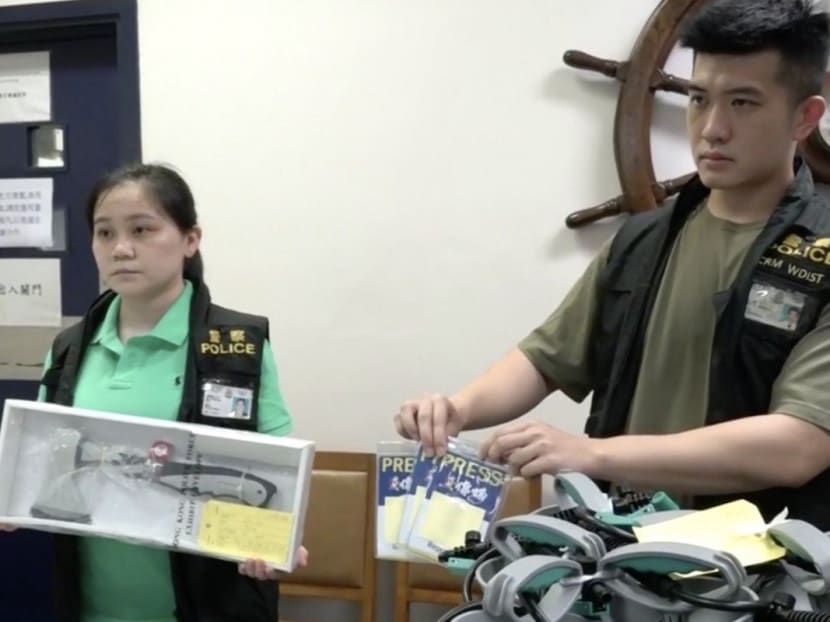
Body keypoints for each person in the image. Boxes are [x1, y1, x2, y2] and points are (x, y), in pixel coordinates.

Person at [395, 0, 830, 529]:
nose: (712, 128)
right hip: (619, 554)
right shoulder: (643, 238)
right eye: (699, 99)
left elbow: (800, 445)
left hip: (754, 574)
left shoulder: (822, 254)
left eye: (743, 103)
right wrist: (458, 409)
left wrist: (592, 453)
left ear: (805, 117)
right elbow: (546, 359)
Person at [2, 163, 306, 622]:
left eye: (142, 229)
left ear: (190, 239)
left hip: (207, 602)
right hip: (93, 602)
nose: (121, 248)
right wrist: (14, 493)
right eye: (105, 234)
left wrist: (278, 536)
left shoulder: (235, 342)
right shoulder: (69, 348)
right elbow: (45, 456)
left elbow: (277, 463)